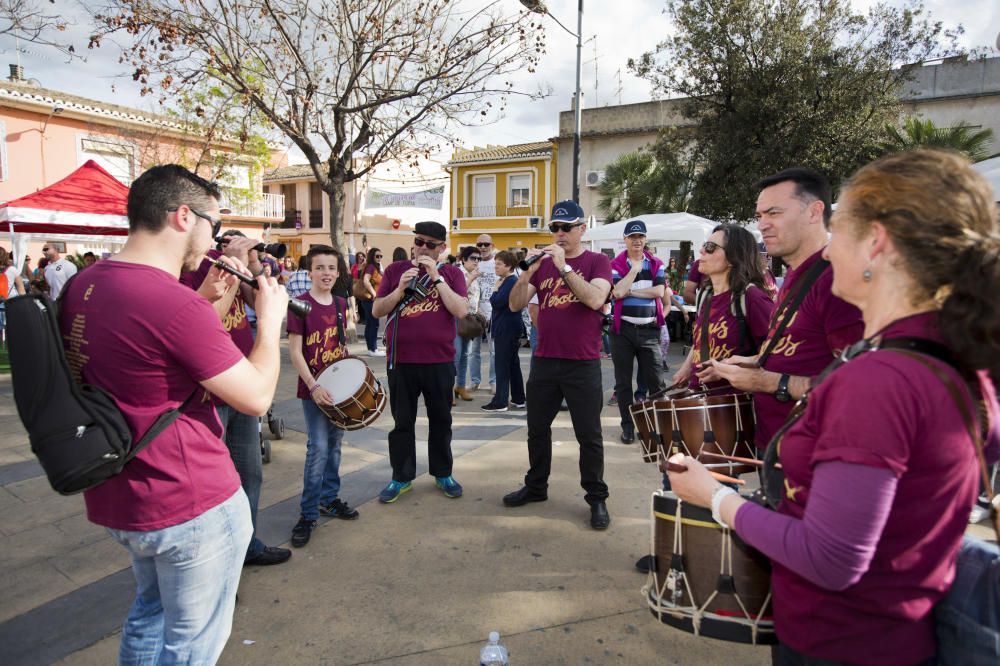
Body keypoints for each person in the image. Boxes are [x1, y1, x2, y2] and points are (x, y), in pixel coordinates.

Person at [668, 149, 1000, 666]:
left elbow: (832, 558)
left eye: (840, 230)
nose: (826, 254)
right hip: (898, 628)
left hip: (844, 641)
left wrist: (712, 497)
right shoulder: (954, 355)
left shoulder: (879, 379)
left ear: (878, 244)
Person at [59, 164, 288, 663]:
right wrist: (270, 323)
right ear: (185, 216)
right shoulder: (167, 300)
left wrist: (202, 303)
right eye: (214, 225)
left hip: (123, 491)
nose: (215, 240)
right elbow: (254, 397)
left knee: (149, 617)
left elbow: (146, 360)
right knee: (190, 647)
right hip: (189, 499)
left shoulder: (85, 284)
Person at [700, 168, 864, 454]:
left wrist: (767, 381)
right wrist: (753, 361)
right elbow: (801, 350)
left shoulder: (839, 280)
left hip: (817, 456)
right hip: (778, 446)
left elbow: (860, 386)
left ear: (814, 212)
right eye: (759, 216)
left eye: (774, 213)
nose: (762, 225)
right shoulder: (796, 273)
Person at [181, 229, 292, 568]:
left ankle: (247, 545)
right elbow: (204, 322)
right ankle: (218, 562)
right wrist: (231, 267)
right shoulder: (189, 269)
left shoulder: (235, 263)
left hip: (243, 376)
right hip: (210, 388)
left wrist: (253, 263)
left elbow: (262, 297)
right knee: (213, 479)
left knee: (249, 470)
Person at [503, 200, 613, 530]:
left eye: (567, 227)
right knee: (537, 429)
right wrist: (526, 276)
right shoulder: (544, 265)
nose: (560, 234)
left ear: (582, 229)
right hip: (545, 361)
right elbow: (514, 305)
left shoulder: (598, 261)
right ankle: (536, 486)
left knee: (589, 435)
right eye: (555, 228)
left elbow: (596, 299)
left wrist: (565, 268)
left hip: (582, 363)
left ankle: (596, 497)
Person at [373, 222, 468, 503]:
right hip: (401, 360)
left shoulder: (451, 273)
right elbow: (378, 309)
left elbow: (461, 310)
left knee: (441, 419)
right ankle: (401, 477)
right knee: (403, 422)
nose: (422, 248)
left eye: (430, 244)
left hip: (439, 361)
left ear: (442, 248)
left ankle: (443, 472)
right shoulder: (394, 271)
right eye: (418, 241)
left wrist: (437, 278)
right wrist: (400, 289)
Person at [287, 245, 359, 548]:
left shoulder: (341, 303)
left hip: (338, 389)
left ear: (338, 272)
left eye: (331, 268)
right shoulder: (300, 305)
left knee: (335, 445)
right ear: (309, 272)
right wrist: (314, 386)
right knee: (317, 448)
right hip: (314, 390)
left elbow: (342, 345)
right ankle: (307, 512)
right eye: (320, 268)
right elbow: (294, 352)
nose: (326, 273)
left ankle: (329, 498)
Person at [672, 224, 775, 394]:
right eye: (704, 245)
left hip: (731, 406)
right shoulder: (705, 295)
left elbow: (775, 355)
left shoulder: (753, 298)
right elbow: (701, 339)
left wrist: (725, 369)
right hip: (700, 397)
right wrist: (686, 369)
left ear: (732, 257)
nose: (701, 251)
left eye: (710, 247)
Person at [608, 220, 668, 444]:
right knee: (623, 384)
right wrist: (633, 270)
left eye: (641, 236)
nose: (637, 240)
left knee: (656, 383)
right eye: (632, 237)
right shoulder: (615, 264)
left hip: (649, 331)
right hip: (622, 331)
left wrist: (629, 290)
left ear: (645, 239)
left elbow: (660, 291)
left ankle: (658, 428)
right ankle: (628, 427)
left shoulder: (656, 264)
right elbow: (617, 292)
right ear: (625, 239)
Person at [482, 250, 526, 412]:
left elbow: (497, 302)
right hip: (510, 327)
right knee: (513, 364)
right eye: (495, 263)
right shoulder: (510, 280)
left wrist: (494, 289)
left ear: (508, 266)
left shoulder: (509, 281)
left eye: (499, 264)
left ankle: (500, 401)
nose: (496, 267)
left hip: (506, 328)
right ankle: (519, 398)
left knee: (502, 365)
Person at [469, 234, 498, 392]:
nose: (483, 247)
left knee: (494, 351)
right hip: (475, 314)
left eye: (486, 244)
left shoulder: (497, 263)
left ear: (492, 245)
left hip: (493, 313)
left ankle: (493, 382)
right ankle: (475, 381)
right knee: (474, 351)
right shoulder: (474, 264)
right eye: (480, 244)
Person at [454, 245, 481, 402]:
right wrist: (470, 279)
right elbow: (458, 294)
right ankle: (449, 389)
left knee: (465, 355)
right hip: (458, 317)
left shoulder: (474, 274)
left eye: (478, 259)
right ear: (463, 259)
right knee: (455, 355)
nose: (476, 261)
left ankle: (461, 386)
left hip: (470, 319)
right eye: (473, 258)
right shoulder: (458, 273)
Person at [358, 247, 384, 357]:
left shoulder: (373, 267)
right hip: (370, 299)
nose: (379, 258)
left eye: (380, 256)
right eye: (377, 256)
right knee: (374, 323)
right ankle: (373, 349)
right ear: (372, 257)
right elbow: (366, 281)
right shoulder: (371, 267)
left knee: (370, 323)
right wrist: (374, 294)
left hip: (368, 300)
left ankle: (371, 348)